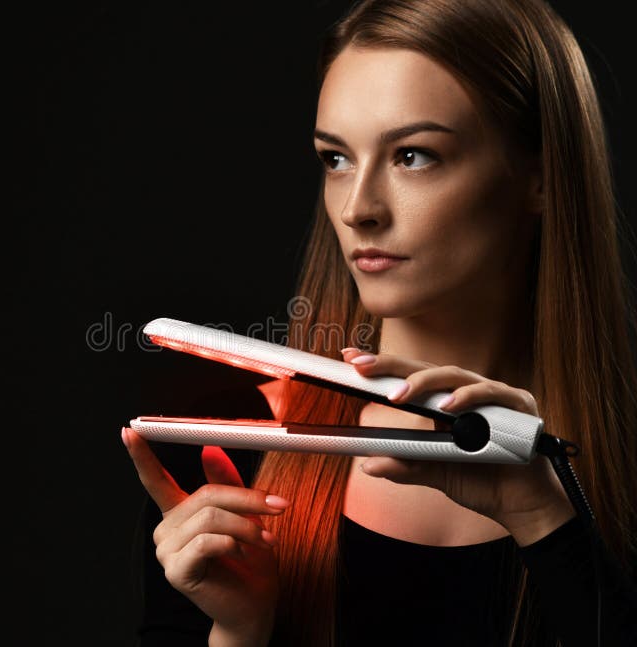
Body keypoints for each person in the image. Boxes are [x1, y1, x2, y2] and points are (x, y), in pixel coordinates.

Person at [121, 0, 637, 644]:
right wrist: (239, 632)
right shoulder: (220, 457)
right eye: (336, 158)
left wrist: (544, 519)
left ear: (539, 175)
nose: (358, 208)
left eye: (414, 156)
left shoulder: (621, 463)